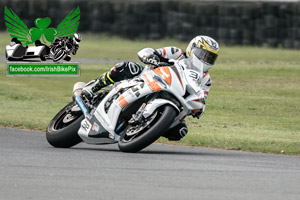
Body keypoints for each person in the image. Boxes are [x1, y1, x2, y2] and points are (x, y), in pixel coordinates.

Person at [82, 35, 220, 141]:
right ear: (192, 48)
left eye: (210, 58)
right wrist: (153, 59)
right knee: (127, 67)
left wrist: (199, 109)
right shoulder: (176, 52)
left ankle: (147, 128)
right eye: (203, 55)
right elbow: (146, 52)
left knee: (180, 131)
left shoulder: (205, 79)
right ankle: (93, 86)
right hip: (146, 78)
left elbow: (202, 96)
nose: (205, 60)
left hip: (173, 97)